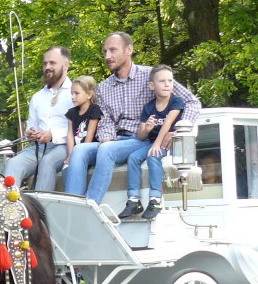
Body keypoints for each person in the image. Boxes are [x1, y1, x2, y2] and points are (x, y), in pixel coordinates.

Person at [65, 32, 200, 203]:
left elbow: (192, 102)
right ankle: (72, 205)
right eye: (105, 51)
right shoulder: (104, 87)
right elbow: (105, 121)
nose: (107, 56)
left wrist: (178, 131)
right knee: (79, 150)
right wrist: (107, 137)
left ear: (129, 50)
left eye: (113, 50)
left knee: (107, 150)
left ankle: (92, 205)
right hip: (116, 141)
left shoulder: (152, 76)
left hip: (142, 139)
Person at [117, 65, 185, 220]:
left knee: (153, 157)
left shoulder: (176, 101)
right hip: (152, 141)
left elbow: (167, 124)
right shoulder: (148, 107)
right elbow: (141, 136)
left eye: (170, 81)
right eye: (162, 81)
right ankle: (134, 200)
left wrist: (156, 145)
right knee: (133, 158)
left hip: (170, 144)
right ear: (152, 85)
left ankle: (155, 199)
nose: (167, 84)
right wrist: (147, 129)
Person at [4, 46, 75, 190]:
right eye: (45, 63)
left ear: (66, 65)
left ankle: (40, 210)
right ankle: (10, 208)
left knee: (47, 162)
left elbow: (82, 128)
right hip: (39, 147)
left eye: (52, 63)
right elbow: (32, 126)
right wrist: (31, 133)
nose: (47, 67)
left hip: (66, 146)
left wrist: (52, 135)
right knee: (13, 164)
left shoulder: (76, 92)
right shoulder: (37, 97)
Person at [64, 75, 102, 166]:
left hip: (89, 150)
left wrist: (82, 153)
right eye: (72, 93)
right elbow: (70, 135)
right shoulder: (71, 113)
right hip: (76, 151)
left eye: (77, 93)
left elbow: (90, 133)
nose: (73, 97)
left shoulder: (94, 109)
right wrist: (70, 155)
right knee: (66, 166)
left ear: (89, 95)